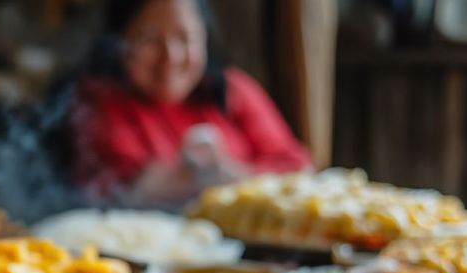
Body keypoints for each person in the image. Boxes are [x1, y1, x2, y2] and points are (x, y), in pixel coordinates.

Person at [71, 0, 313, 206]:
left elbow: (298, 166)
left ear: (205, 39)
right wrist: (187, 178)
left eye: (185, 38)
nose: (171, 57)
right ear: (119, 43)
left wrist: (236, 175)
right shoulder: (98, 104)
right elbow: (118, 190)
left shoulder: (233, 89)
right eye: (150, 40)